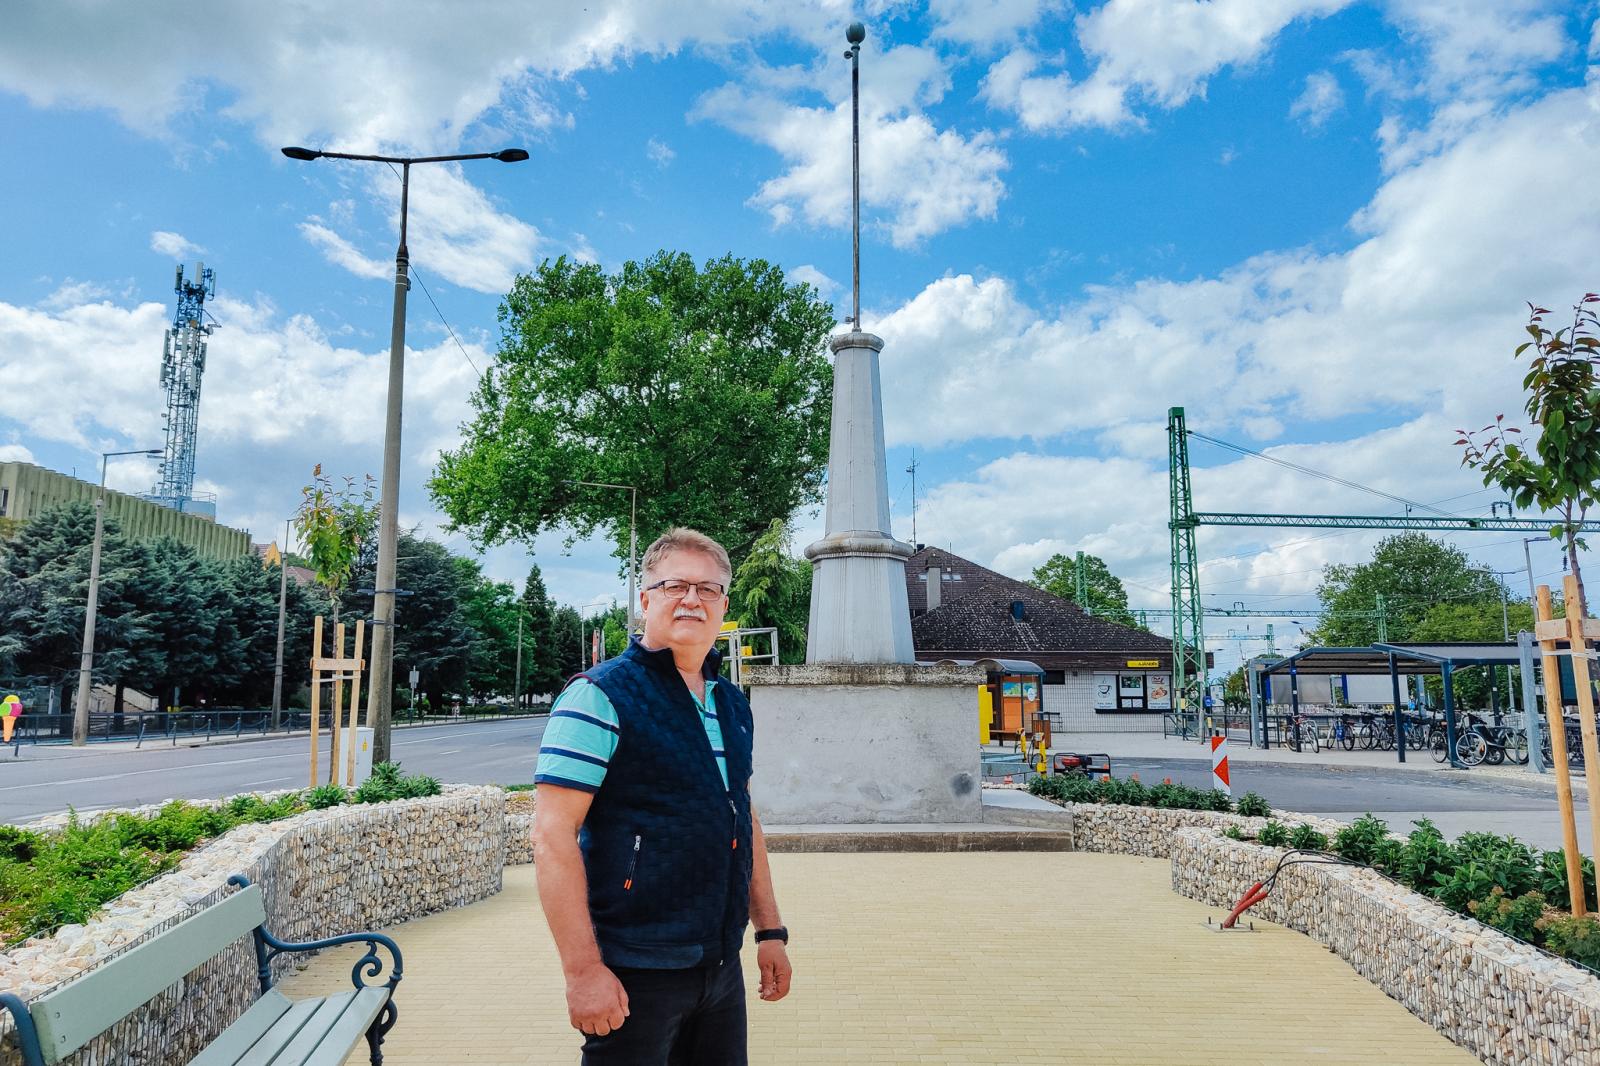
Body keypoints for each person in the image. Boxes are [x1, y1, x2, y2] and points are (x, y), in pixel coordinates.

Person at [533, 527, 791, 1064]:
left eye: (709, 589)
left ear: (723, 605)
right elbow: (551, 836)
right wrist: (582, 972)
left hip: (720, 966)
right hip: (635, 969)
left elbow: (742, 818)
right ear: (645, 598)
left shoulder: (730, 702)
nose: (692, 599)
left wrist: (769, 929)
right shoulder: (598, 696)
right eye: (676, 585)